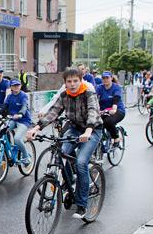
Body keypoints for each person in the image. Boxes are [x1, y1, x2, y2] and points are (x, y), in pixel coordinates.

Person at [26, 68, 103, 219]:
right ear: (65, 83)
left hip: (92, 130)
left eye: (75, 81)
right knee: (61, 153)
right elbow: (53, 113)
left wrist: (88, 131)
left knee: (81, 162)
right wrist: (36, 128)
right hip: (74, 129)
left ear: (81, 81)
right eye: (69, 81)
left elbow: (93, 112)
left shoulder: (89, 94)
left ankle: (82, 205)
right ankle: (69, 182)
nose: (72, 84)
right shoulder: (64, 95)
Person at [0, 78, 32, 165]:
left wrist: (20, 114)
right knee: (1, 131)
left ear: (20, 86)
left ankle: (26, 157)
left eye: (18, 85)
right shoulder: (9, 97)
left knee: (17, 138)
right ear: (11, 87)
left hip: (24, 120)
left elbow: (24, 106)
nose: (16, 87)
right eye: (14, 85)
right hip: (13, 119)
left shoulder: (23, 95)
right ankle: (7, 152)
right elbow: (4, 107)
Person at [95, 71, 126, 145]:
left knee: (108, 121)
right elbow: (94, 98)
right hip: (103, 111)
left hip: (117, 110)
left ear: (111, 78)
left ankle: (116, 138)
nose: (105, 80)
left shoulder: (116, 87)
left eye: (107, 78)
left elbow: (116, 98)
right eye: (103, 78)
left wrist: (114, 109)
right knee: (94, 122)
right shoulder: (99, 87)